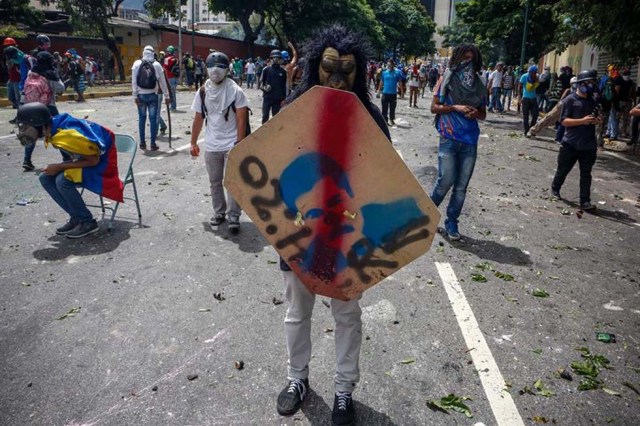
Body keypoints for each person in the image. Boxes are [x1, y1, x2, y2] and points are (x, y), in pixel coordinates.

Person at [276, 24, 390, 426]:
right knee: (296, 312)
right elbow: (273, 168)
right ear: (314, 67)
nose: (337, 79)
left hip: (348, 239)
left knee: (346, 316)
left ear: (360, 71)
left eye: (346, 69)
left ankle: (344, 392)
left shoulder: (371, 118)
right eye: (328, 69)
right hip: (298, 234)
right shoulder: (293, 108)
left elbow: (384, 180)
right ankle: (297, 380)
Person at [15, 102, 124, 238]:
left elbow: (93, 160)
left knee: (62, 180)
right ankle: (76, 217)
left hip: (102, 166)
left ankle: (87, 222)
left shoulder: (68, 135)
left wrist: (59, 167)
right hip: (90, 161)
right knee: (45, 178)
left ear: (38, 123)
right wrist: (58, 167)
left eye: (25, 126)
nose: (23, 131)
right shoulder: (54, 128)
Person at [430, 43, 487, 240]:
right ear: (457, 59)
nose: (467, 63)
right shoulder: (446, 79)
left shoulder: (479, 84)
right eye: (464, 59)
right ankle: (426, 215)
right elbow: (435, 108)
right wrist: (456, 107)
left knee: (461, 187)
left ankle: (452, 223)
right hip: (449, 137)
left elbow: (483, 114)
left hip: (470, 140)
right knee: (444, 181)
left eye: (471, 59)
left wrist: (474, 113)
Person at [189, 51, 248, 234]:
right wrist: (193, 142)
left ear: (227, 69)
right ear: (207, 69)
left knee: (232, 182)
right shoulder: (203, 91)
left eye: (220, 67)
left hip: (232, 143)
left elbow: (241, 120)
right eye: (212, 67)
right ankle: (219, 212)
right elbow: (198, 118)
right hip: (212, 144)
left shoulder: (235, 91)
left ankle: (234, 217)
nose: (215, 71)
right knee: (215, 182)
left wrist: (240, 143)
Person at [551, 69, 601, 210]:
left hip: (588, 145)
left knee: (586, 174)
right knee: (563, 169)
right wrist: (582, 121)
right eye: (588, 83)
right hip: (570, 144)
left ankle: (585, 201)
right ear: (580, 84)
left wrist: (596, 121)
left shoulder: (593, 101)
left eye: (592, 83)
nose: (590, 86)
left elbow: (595, 118)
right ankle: (555, 188)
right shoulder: (570, 100)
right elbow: (564, 121)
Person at [21, 51, 64, 172]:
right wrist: (57, 76)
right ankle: (66, 158)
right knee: (58, 131)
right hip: (47, 106)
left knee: (32, 133)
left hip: (31, 106)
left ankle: (27, 160)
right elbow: (61, 88)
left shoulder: (31, 72)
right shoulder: (50, 73)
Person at [132, 45, 170, 151]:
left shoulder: (136, 64)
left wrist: (135, 95)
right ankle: (153, 144)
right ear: (153, 53)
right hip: (153, 95)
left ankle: (142, 143)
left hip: (140, 96)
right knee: (153, 120)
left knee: (142, 119)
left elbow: (134, 81)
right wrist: (167, 96)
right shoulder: (157, 65)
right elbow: (162, 82)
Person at [260, 49, 288, 124]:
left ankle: (274, 133)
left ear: (280, 59)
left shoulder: (283, 72)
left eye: (277, 58)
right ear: (271, 59)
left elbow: (285, 86)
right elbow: (261, 84)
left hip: (278, 99)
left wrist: (284, 99)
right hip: (267, 98)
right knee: (265, 116)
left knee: (275, 118)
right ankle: (263, 133)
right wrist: (265, 88)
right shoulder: (266, 70)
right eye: (274, 58)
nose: (275, 60)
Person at [376, 59, 402, 125]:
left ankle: (392, 119)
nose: (389, 66)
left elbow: (400, 82)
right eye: (388, 65)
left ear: (393, 65)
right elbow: (381, 82)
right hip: (385, 93)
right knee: (384, 108)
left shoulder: (397, 73)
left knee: (392, 108)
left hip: (393, 94)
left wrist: (401, 92)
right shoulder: (384, 73)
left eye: (390, 65)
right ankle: (385, 121)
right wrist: (379, 91)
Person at [3, 38, 22, 110]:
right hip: (11, 78)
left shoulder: (18, 55)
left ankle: (19, 109)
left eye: (8, 46)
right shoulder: (9, 56)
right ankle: (16, 105)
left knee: (18, 96)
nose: (6, 48)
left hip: (17, 78)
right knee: (10, 96)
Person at [520, 65, 539, 135]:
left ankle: (531, 129)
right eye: (533, 72)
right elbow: (519, 86)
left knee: (535, 114)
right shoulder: (524, 76)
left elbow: (538, 84)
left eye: (535, 72)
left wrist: (536, 79)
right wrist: (519, 96)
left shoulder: (536, 77)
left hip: (533, 98)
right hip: (525, 98)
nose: (534, 74)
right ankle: (526, 130)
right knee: (526, 116)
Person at [618, 69, 636, 138]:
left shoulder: (631, 82)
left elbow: (633, 93)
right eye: (626, 74)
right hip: (622, 102)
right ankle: (620, 131)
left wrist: (634, 102)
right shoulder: (621, 81)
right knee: (620, 117)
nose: (627, 76)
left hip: (627, 102)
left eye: (628, 75)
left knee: (625, 118)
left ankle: (623, 132)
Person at [163, 46, 179, 111]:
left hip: (170, 77)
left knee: (171, 92)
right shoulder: (176, 59)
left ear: (169, 51)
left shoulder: (167, 59)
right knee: (173, 92)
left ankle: (173, 106)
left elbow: (164, 69)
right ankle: (173, 105)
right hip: (175, 77)